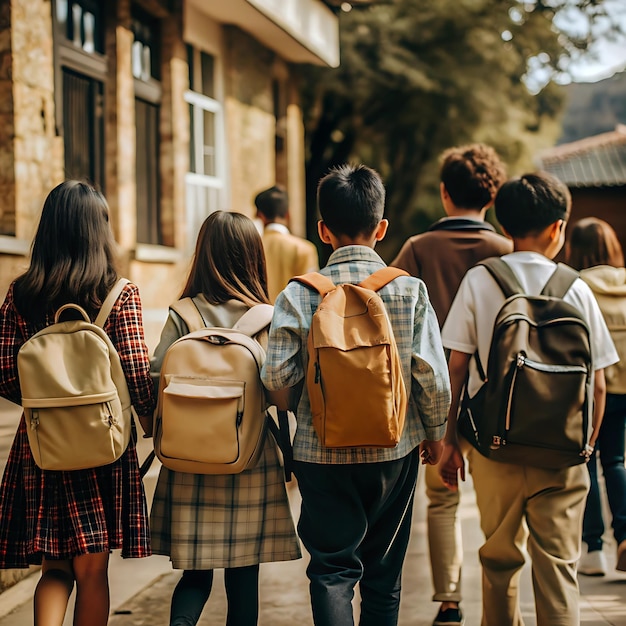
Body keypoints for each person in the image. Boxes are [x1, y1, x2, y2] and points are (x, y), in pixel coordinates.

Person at [261, 164, 451, 626]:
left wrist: (311, 408)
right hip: (395, 447)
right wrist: (434, 433)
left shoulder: (297, 295)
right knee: (384, 576)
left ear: (323, 230)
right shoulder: (407, 290)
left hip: (319, 453)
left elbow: (275, 378)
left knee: (331, 570)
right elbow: (432, 376)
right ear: (382, 228)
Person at [439, 172, 618, 625]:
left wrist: (448, 442)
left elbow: (455, 369)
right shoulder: (576, 287)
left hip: (494, 449)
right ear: (559, 228)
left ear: (503, 225)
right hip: (561, 451)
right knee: (558, 566)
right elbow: (597, 382)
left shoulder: (480, 280)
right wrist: (586, 445)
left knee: (498, 562)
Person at [0, 180, 155, 626]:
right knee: (91, 571)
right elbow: (135, 374)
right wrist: (143, 420)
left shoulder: (23, 293)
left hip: (42, 445)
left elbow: (6, 371)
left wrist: (45, 407)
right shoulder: (118, 294)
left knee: (54, 567)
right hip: (102, 448)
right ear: (99, 231)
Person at [149, 210, 301, 626]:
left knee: (194, 575)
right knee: (243, 579)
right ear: (254, 258)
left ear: (203, 255)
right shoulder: (267, 318)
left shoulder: (182, 315)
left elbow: (154, 378)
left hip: (188, 460)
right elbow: (283, 396)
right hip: (248, 459)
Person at [391, 143, 511, 626]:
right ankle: (498, 601)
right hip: (496, 400)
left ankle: (448, 600)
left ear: (444, 193)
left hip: (433, 401)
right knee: (495, 502)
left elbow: (393, 321)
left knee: (441, 499)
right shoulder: (507, 249)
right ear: (493, 193)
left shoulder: (418, 248)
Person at [566, 217, 626, 575]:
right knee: (616, 461)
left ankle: (593, 551)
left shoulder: (576, 286)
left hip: (591, 388)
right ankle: (625, 535)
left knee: (587, 459)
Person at [254, 184, 319, 302]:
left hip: (258, 317)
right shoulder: (304, 249)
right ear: (288, 214)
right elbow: (311, 296)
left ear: (260, 215)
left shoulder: (251, 248)